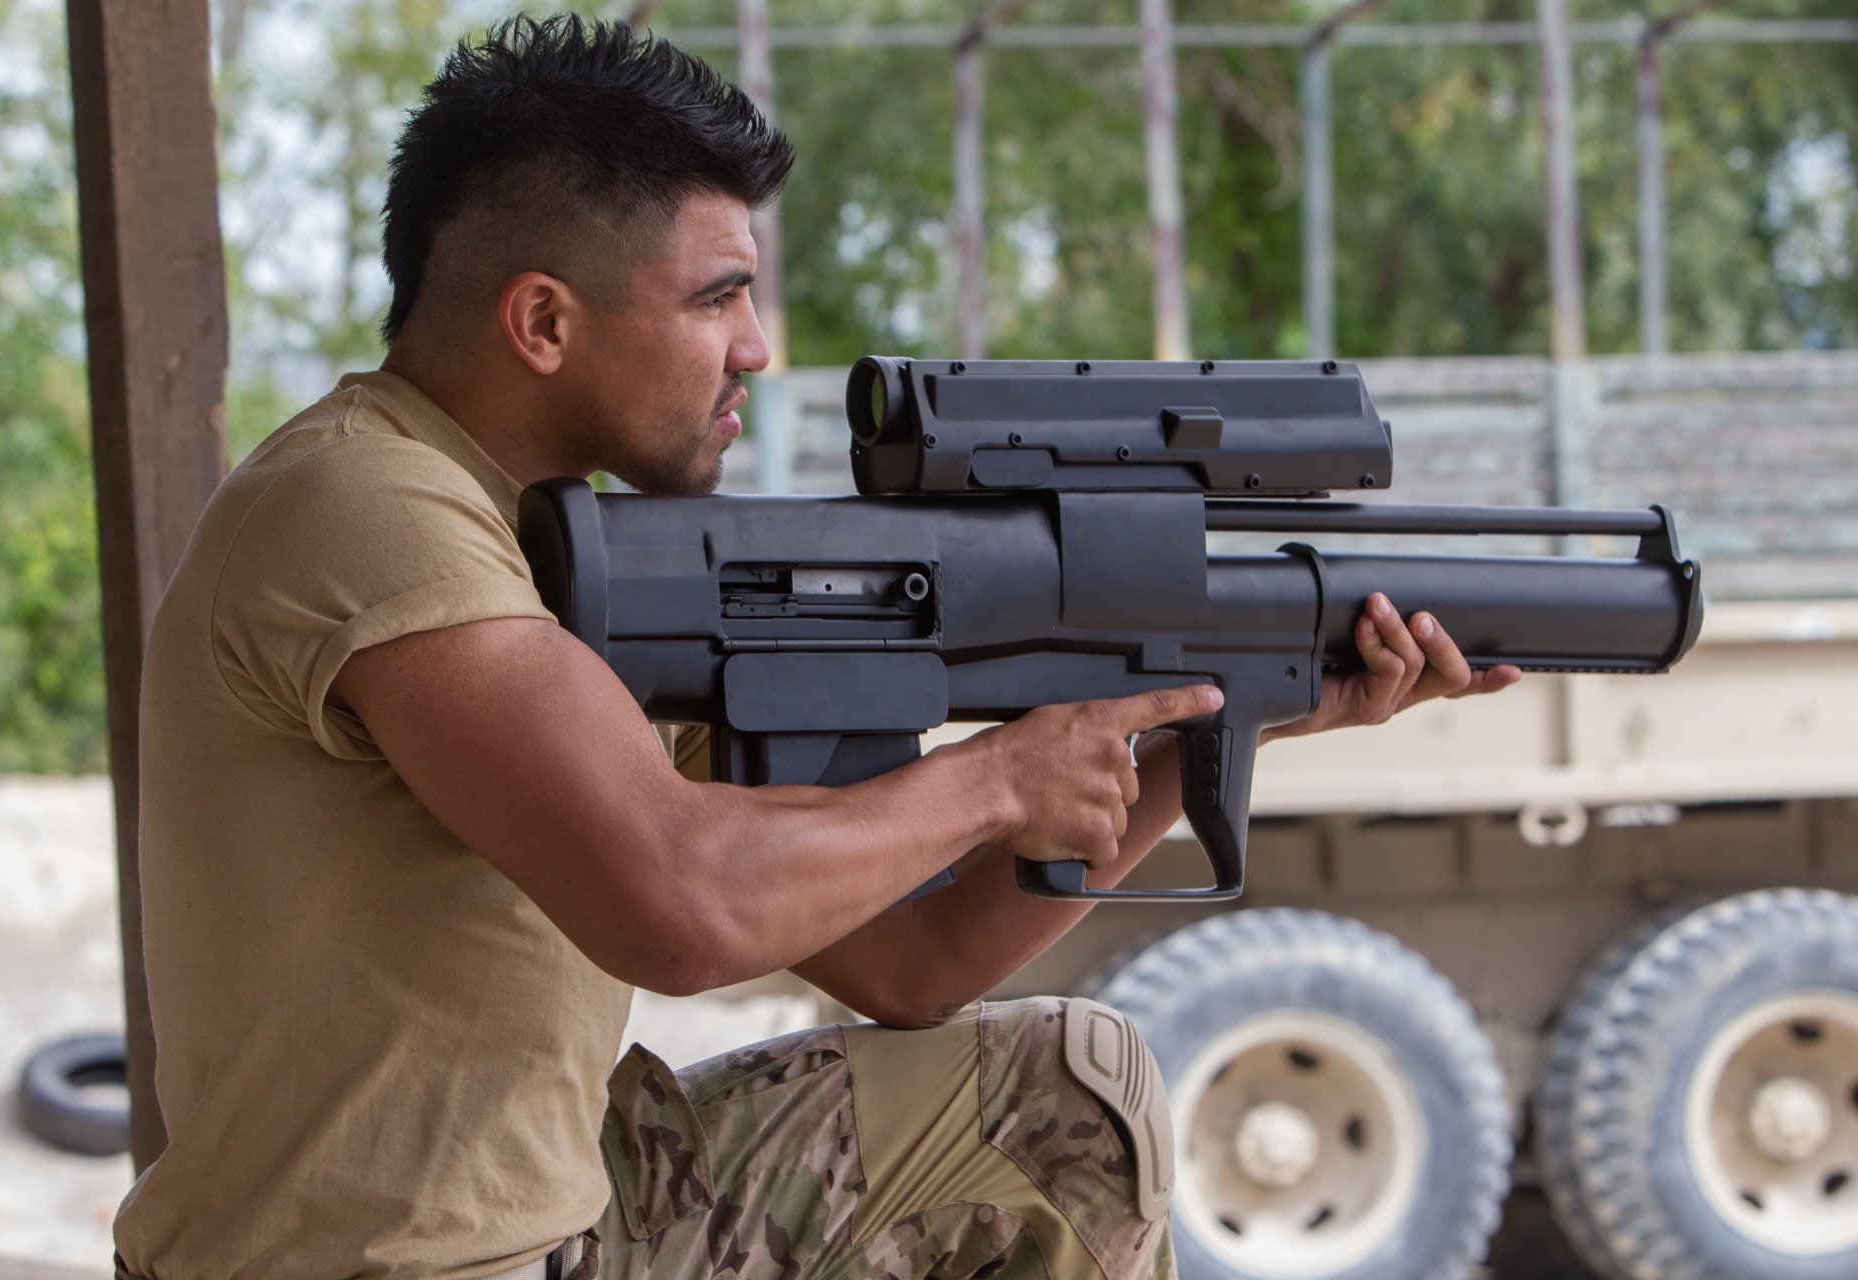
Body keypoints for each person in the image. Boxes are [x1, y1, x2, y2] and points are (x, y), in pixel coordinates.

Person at [111, 16, 1518, 1280]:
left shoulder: (567, 551)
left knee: (1065, 1091)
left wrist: (1204, 726)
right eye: (715, 297)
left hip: (574, 1229)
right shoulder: (367, 504)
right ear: (542, 319)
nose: (760, 347)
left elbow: (915, 965)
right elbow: (683, 907)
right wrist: (995, 781)